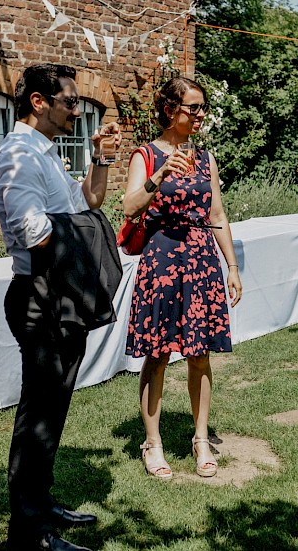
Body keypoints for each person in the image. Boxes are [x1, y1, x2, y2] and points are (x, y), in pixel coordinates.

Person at [0, 63, 121, 551]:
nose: (75, 110)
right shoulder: (18, 156)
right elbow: (32, 230)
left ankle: (41, 505)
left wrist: (100, 158)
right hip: (40, 295)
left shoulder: (48, 153)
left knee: (55, 407)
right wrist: (84, 243)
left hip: (61, 291)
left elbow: (90, 203)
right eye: (69, 101)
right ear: (39, 102)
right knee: (38, 416)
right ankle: (30, 534)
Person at [122, 76, 242, 480]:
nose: (201, 114)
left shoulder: (206, 158)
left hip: (201, 259)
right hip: (161, 260)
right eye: (194, 107)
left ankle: (201, 438)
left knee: (200, 353)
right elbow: (129, 206)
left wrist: (233, 266)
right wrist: (158, 178)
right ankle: (152, 443)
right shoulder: (146, 155)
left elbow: (217, 216)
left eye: (203, 107)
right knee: (157, 354)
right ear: (171, 110)